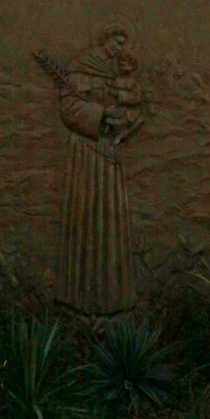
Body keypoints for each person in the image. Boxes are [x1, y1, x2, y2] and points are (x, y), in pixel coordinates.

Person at [55, 24, 141, 313]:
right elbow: (69, 109)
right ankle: (79, 297)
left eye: (121, 44)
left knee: (112, 218)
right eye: (115, 43)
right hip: (86, 153)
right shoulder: (79, 68)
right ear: (102, 40)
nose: (118, 49)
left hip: (109, 150)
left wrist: (122, 117)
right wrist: (102, 113)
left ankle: (114, 297)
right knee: (85, 217)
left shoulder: (114, 72)